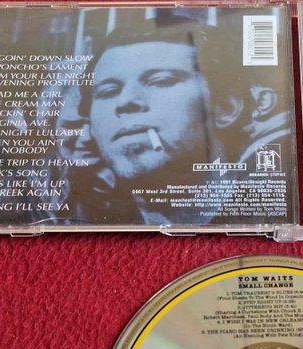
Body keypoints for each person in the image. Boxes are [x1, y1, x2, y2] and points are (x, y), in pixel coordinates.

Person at [77, 24, 253, 225]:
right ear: (92, 126)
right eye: (108, 91)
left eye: (160, 81)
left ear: (225, 109)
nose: (125, 101)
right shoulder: (89, 222)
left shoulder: (261, 214)